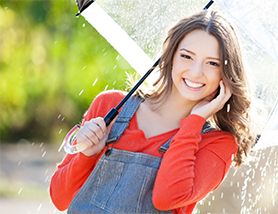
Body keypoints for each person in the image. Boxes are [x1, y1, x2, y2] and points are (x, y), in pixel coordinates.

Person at [50, 10, 255, 214]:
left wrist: (195, 121)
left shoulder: (218, 144)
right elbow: (60, 199)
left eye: (212, 63)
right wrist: (87, 154)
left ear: (226, 73)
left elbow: (166, 198)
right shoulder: (110, 106)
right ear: (171, 56)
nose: (195, 72)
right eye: (187, 56)